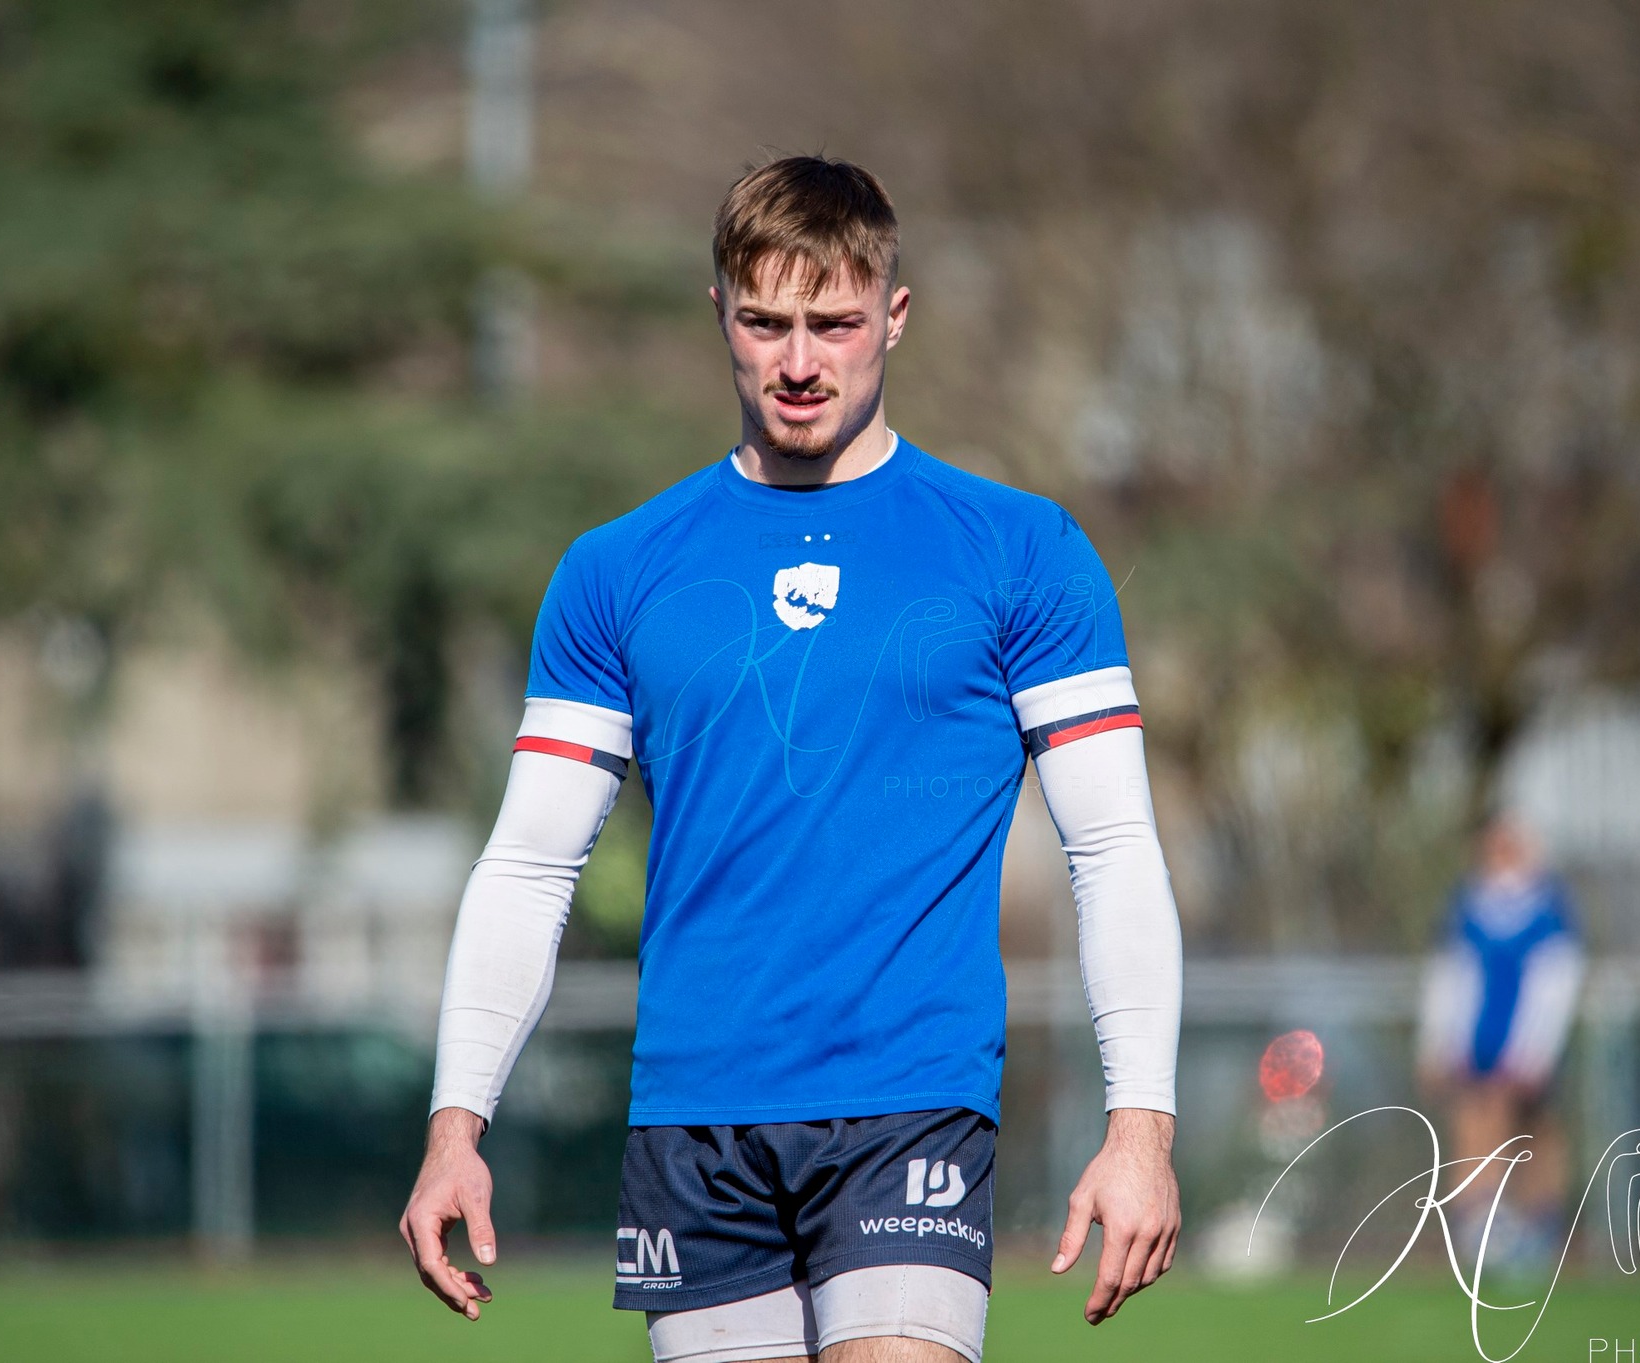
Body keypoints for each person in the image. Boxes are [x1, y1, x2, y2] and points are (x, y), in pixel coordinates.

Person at [399, 155, 1184, 1363]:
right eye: (765, 322)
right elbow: (527, 867)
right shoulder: (616, 571)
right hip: (694, 1117)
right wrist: (456, 1125)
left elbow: (1114, 846)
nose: (800, 360)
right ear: (718, 311)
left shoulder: (1022, 553)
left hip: (910, 1098)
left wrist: (1140, 1130)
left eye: (834, 322)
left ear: (895, 317)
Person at [1415, 813, 1584, 1266]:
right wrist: (1437, 1045)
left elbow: (1556, 985)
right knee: (1475, 1129)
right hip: (1476, 1043)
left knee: (1535, 1136)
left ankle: (1540, 1233)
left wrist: (1532, 1053)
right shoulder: (1468, 906)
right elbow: (1448, 979)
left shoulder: (1548, 910)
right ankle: (1479, 1233)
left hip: (1529, 1048)